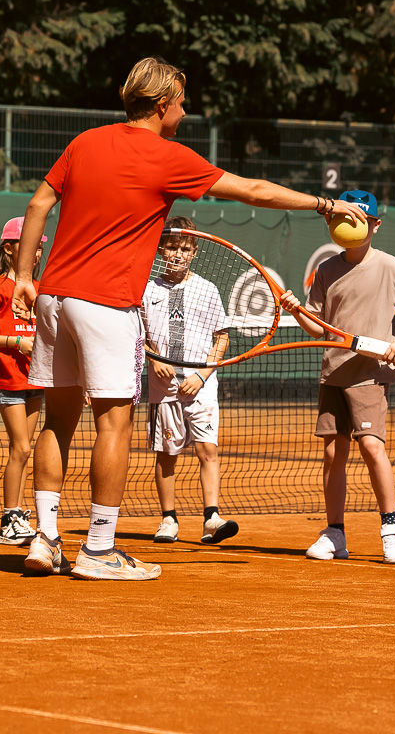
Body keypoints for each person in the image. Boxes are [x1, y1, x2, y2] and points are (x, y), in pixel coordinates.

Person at [11, 56, 366, 581]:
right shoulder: (167, 156)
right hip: (105, 303)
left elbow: (39, 203)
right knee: (114, 422)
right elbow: (255, 190)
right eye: (180, 101)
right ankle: (100, 548)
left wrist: (23, 272)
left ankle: (45, 539)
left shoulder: (84, 142)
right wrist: (324, 204)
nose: (185, 109)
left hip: (52, 298)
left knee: (58, 419)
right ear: (160, 105)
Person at [280, 189, 395, 565]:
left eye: (359, 218)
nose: (350, 224)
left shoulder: (389, 266)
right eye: (343, 217)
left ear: (374, 224)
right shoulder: (326, 270)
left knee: (371, 447)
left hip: (370, 374)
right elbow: (316, 327)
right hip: (333, 372)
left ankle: (391, 530)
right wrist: (294, 309)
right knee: (332, 453)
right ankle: (334, 533)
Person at [143, 217, 238, 545]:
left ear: (194, 252)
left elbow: (221, 339)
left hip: (202, 388)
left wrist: (201, 376)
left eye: (185, 249)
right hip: (163, 391)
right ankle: (168, 520)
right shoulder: (147, 289)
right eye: (171, 247)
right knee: (166, 454)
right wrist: (153, 359)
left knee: (207, 450)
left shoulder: (207, 289)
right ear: (160, 250)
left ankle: (212, 518)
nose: (178, 254)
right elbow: (136, 336)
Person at [0, 217, 47, 546]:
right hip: (10, 380)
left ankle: (17, 515)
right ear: (9, 247)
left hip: (36, 380)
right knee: (21, 448)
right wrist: (14, 343)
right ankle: (9, 519)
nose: (38, 251)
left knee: (25, 451)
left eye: (41, 246)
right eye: (31, 244)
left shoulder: (38, 289)